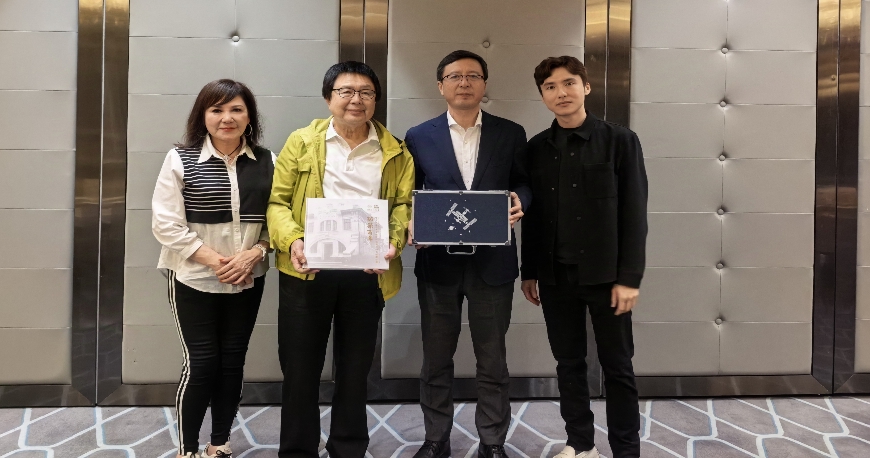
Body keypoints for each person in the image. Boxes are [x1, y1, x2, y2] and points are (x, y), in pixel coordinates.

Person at [268, 61, 414, 458]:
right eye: (346, 91)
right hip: (307, 269)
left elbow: (403, 206)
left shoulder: (395, 150)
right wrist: (293, 241)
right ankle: (297, 451)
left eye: (366, 93)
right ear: (328, 98)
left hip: (367, 272)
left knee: (354, 370)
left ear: (376, 100)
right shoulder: (301, 142)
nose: (356, 100)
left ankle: (348, 448)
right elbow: (277, 203)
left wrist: (393, 242)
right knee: (299, 369)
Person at [404, 50, 530, 458]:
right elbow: (409, 193)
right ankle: (435, 439)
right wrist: (411, 221)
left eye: (473, 75)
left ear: (484, 85)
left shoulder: (510, 133)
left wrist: (521, 200)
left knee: (492, 359)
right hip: (438, 264)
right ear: (440, 86)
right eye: (455, 76)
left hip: (493, 265)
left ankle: (492, 442)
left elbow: (525, 183)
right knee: (436, 359)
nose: (464, 82)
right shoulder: (418, 136)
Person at [520, 56, 647, 458]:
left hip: (607, 277)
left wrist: (629, 278)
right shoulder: (536, 148)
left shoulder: (620, 141)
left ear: (586, 87)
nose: (561, 93)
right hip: (555, 276)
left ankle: (626, 450)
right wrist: (529, 271)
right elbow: (533, 216)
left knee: (618, 367)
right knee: (568, 364)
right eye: (550, 87)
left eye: (569, 83)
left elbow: (634, 213)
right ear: (542, 95)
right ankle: (580, 445)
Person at [152, 79, 275, 458]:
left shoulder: (267, 161)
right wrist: (219, 262)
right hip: (193, 277)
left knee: (233, 362)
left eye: (236, 109)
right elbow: (165, 224)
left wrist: (255, 253)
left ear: (249, 116)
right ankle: (187, 450)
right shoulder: (181, 158)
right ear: (202, 116)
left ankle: (219, 443)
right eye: (217, 109)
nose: (227, 118)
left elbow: (277, 220)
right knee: (202, 363)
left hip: (248, 278)